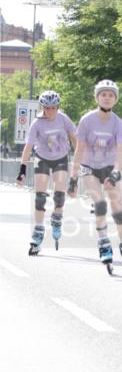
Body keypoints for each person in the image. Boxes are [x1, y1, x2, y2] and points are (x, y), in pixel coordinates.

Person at [68, 80, 122, 275]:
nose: (107, 97)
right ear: (97, 97)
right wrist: (73, 178)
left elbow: (120, 153)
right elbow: (79, 150)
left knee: (118, 208)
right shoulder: (87, 120)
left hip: (109, 167)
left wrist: (116, 171)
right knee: (100, 203)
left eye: (111, 95)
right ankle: (103, 242)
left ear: (115, 99)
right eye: (103, 94)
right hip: (89, 167)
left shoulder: (118, 123)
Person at [17, 91, 77, 254]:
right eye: (47, 108)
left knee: (59, 195)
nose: (50, 111)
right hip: (42, 157)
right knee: (40, 197)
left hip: (61, 158)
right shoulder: (36, 123)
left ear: (58, 107)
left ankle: (57, 220)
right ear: (42, 107)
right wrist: (22, 169)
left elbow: (74, 138)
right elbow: (28, 147)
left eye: (53, 108)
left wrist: (78, 160)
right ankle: (38, 231)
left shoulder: (64, 119)